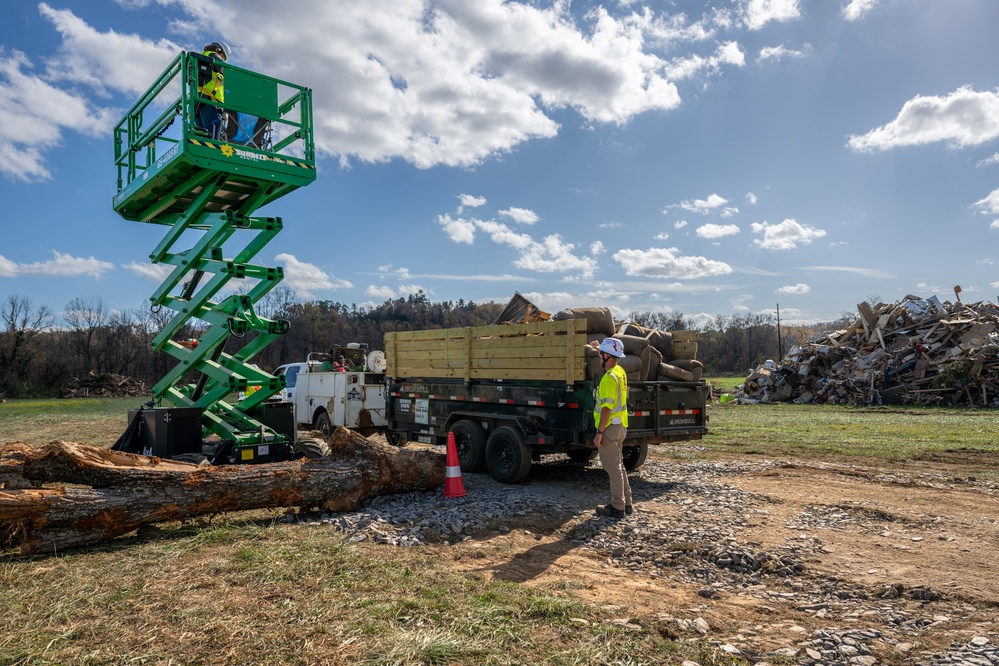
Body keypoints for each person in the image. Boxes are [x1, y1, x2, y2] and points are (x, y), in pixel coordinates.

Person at [590, 337, 632, 519]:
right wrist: (599, 347)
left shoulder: (608, 379)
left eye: (601, 354)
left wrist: (599, 433)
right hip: (620, 426)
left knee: (612, 467)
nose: (599, 357)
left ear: (608, 355)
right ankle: (627, 503)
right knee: (619, 465)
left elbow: (606, 408)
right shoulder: (620, 371)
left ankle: (617, 506)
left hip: (609, 428)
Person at [194, 41, 231, 138]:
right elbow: (225, 70)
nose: (222, 59)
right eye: (223, 57)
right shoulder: (213, 55)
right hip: (210, 103)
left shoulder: (199, 58)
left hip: (197, 104)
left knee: (202, 139)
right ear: (219, 50)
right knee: (214, 139)